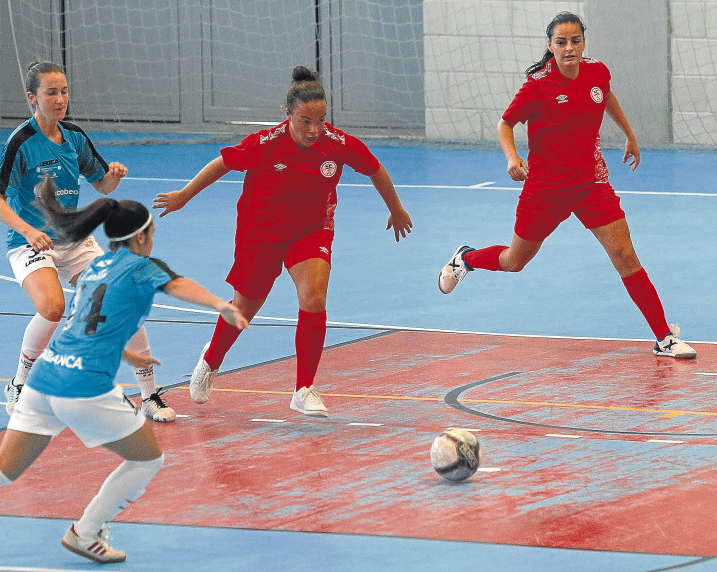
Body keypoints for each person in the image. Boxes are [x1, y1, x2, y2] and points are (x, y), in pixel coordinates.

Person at [0, 177, 249, 572]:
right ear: (142, 237)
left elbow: (83, 324)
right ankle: (86, 533)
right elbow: (178, 284)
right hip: (84, 386)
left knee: (2, 468)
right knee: (148, 460)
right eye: (153, 232)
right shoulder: (142, 267)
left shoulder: (97, 268)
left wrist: (122, 351)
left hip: (45, 376)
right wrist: (220, 304)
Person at [153, 66, 413, 418]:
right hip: (260, 234)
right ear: (287, 114)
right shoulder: (265, 144)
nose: (314, 129)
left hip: (311, 231)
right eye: (305, 120)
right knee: (244, 308)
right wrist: (184, 196)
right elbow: (222, 164)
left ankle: (304, 388)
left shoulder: (336, 144)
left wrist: (396, 209)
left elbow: (375, 169)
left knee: (314, 296)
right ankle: (211, 360)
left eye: (320, 120)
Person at [437, 12, 695, 359]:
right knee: (515, 261)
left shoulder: (597, 71)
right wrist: (512, 159)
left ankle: (664, 337)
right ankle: (466, 259)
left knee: (625, 256)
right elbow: (505, 124)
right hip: (544, 189)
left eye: (575, 40)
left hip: (591, 184)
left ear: (583, 42)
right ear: (551, 46)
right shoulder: (538, 85)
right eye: (561, 42)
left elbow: (604, 95)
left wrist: (630, 135)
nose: (569, 47)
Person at [0, 60, 176, 422]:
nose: (60, 100)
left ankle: (150, 395)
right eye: (51, 93)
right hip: (29, 241)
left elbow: (102, 183)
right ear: (33, 98)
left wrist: (114, 177)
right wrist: (29, 231)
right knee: (53, 308)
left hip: (73, 238)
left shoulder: (74, 137)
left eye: (64, 91)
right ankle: (19, 383)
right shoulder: (21, 142)